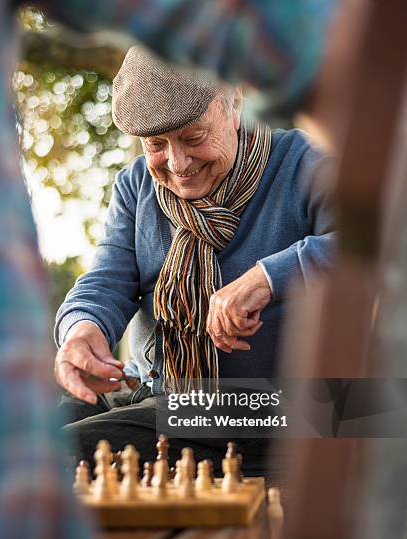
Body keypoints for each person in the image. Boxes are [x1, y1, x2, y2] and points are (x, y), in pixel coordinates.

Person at [54, 47, 335, 473]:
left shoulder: (305, 163)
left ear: (234, 101)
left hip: (295, 409)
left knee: (67, 449)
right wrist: (81, 330)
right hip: (161, 396)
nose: (178, 163)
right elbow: (106, 280)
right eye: (156, 144)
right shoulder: (136, 187)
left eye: (193, 137)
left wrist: (268, 276)